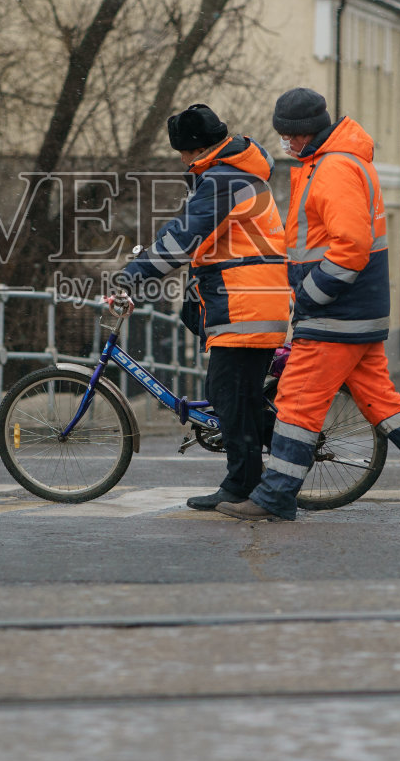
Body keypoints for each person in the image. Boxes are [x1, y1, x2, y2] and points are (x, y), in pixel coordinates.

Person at [218, 88, 400, 524]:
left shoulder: (333, 168)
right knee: (383, 403)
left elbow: (350, 246)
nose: (285, 144)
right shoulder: (332, 162)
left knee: (296, 401)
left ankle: (276, 495)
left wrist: (309, 295)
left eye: (287, 136)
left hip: (336, 314)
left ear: (303, 134)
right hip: (357, 313)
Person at [117, 104, 291, 511]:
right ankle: (272, 469)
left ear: (194, 149)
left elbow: (183, 238)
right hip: (247, 300)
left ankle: (243, 485)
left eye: (181, 151)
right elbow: (188, 230)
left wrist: (134, 273)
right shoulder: (230, 175)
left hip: (246, 304)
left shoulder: (223, 181)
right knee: (239, 397)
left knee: (228, 395)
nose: (180, 158)